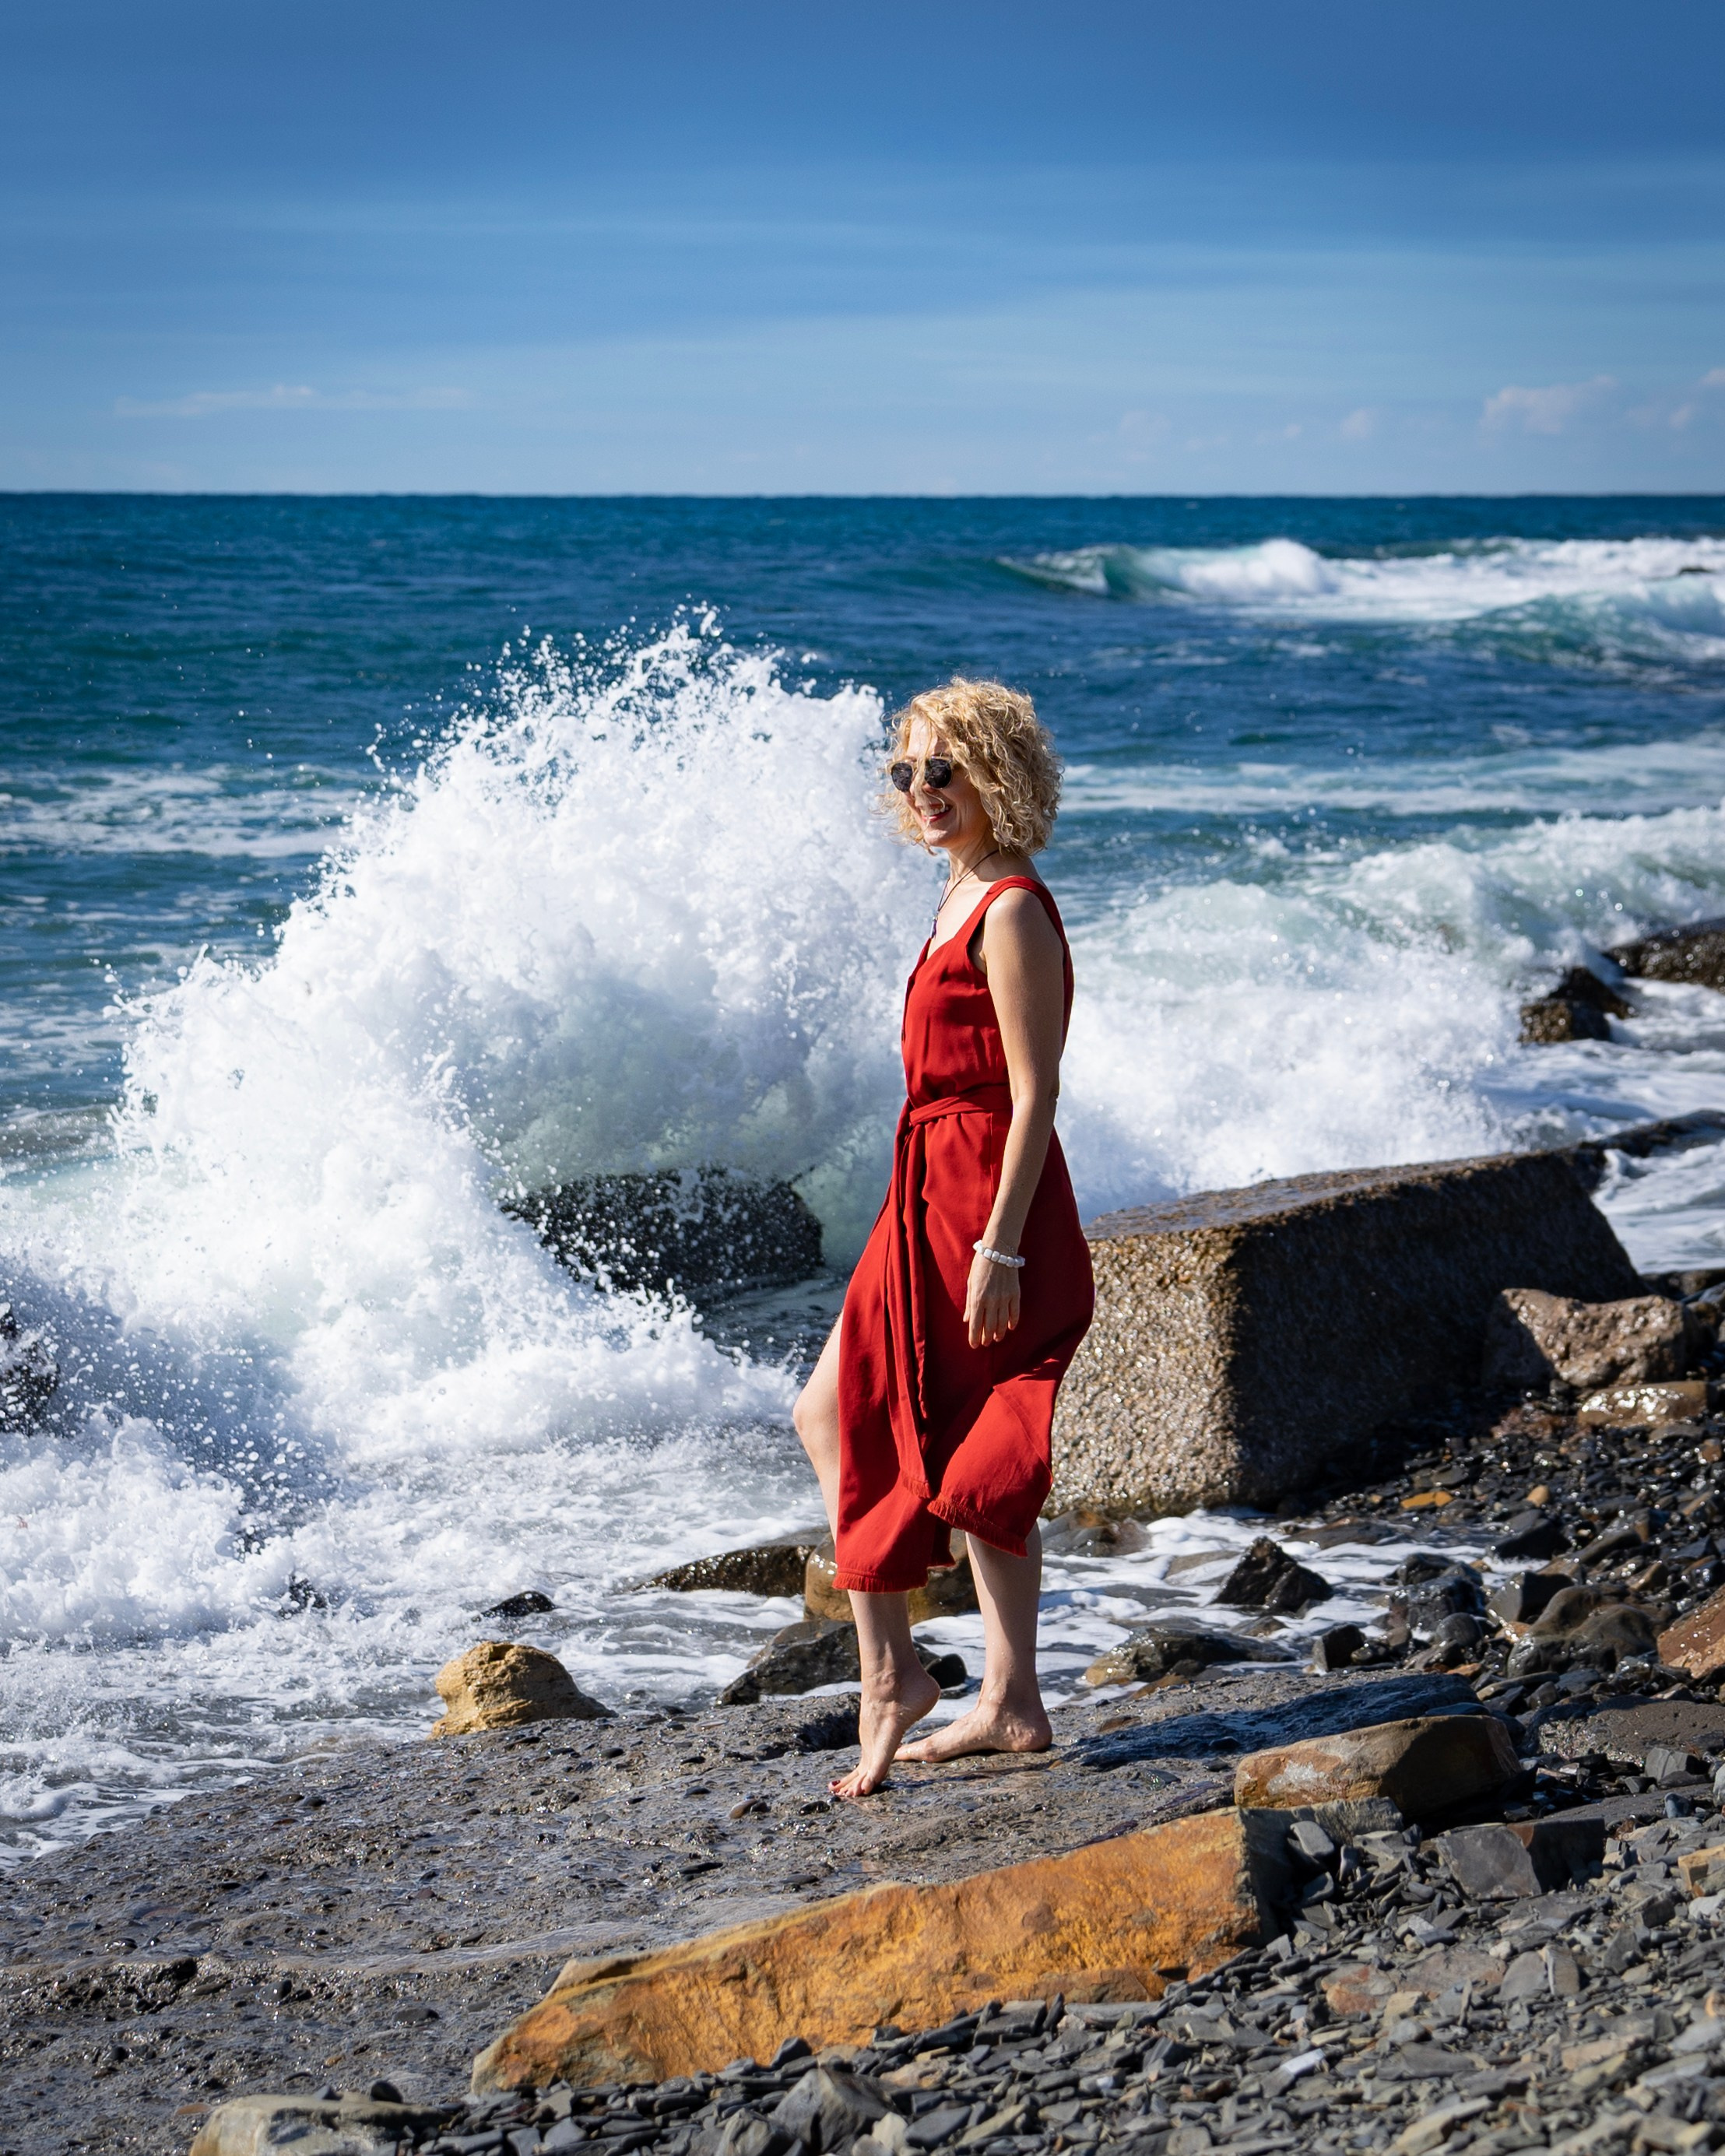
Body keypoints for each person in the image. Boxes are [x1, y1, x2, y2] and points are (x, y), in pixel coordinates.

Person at [792, 676, 1095, 1800]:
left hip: (981, 1207)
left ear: (997, 771)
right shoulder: (957, 892)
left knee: (957, 1439)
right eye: (906, 770)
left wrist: (1002, 1246)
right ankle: (982, 1690)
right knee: (868, 1418)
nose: (923, 789)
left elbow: (1036, 1091)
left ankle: (911, 1677)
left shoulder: (1011, 907)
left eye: (945, 768)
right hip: (923, 1192)